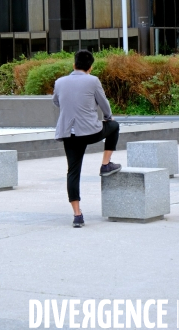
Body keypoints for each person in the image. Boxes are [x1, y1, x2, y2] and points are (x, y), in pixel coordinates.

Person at [53, 50, 121, 228]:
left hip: (69, 133)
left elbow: (57, 101)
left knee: (73, 172)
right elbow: (103, 102)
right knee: (114, 126)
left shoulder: (60, 82)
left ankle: (77, 214)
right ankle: (106, 164)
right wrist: (108, 116)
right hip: (90, 132)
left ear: (74, 64)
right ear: (90, 67)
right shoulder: (93, 80)